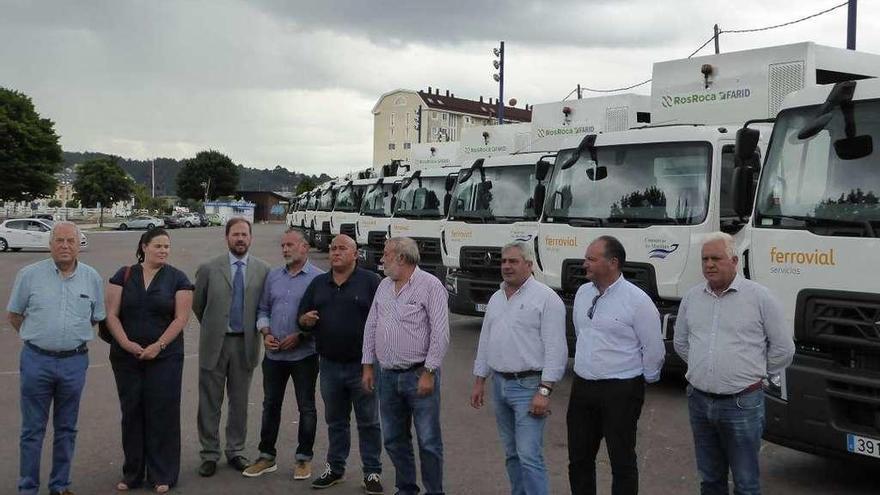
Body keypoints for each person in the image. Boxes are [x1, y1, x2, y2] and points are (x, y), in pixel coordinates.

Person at [674, 232, 794, 495]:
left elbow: (784, 349)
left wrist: (755, 373)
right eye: (705, 259)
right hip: (699, 401)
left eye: (716, 258)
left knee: (746, 483)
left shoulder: (761, 298)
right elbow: (681, 344)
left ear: (734, 260)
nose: (709, 264)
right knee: (710, 479)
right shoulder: (692, 298)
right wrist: (705, 367)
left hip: (742, 404)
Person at [6, 221, 106, 495]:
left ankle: (60, 485)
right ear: (50, 245)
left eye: (70, 241)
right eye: (59, 241)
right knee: (32, 430)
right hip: (36, 361)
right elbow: (15, 315)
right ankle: (28, 488)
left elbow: (95, 318)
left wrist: (68, 339)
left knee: (66, 428)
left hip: (74, 363)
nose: (64, 246)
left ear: (78, 245)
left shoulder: (92, 278)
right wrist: (39, 337)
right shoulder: (29, 275)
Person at [568, 235, 665, 495]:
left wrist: (643, 381)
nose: (584, 263)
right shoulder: (582, 293)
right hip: (583, 388)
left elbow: (653, 349)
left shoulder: (638, 301)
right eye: (585, 258)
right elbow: (582, 333)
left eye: (591, 259)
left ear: (613, 262)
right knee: (579, 459)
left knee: (621, 460)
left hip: (621, 390)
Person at [469, 241, 567, 495]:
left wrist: (544, 391)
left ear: (529, 264)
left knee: (529, 455)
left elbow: (557, 349)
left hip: (529, 387)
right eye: (503, 261)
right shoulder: (496, 297)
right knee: (512, 454)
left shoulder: (546, 299)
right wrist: (480, 380)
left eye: (513, 261)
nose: (506, 266)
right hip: (499, 385)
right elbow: (486, 340)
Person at [104, 228, 193, 493]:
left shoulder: (178, 278)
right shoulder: (124, 274)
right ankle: (132, 473)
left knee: (162, 414)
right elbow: (111, 314)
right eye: (158, 246)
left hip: (165, 357)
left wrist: (159, 345)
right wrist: (125, 343)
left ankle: (162, 474)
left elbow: (181, 318)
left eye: (167, 246)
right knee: (131, 412)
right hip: (127, 357)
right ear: (144, 246)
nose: (164, 251)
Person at [362, 237, 449, 495]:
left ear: (401, 257)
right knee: (393, 439)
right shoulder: (383, 286)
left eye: (386, 254)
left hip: (419, 375)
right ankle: (407, 488)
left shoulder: (430, 286)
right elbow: (371, 326)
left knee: (429, 441)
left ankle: (435, 491)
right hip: (387, 376)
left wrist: (430, 371)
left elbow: (440, 333)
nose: (382, 259)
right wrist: (367, 365)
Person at [298, 234, 384, 493]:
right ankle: (335, 468)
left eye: (342, 248)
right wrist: (306, 321)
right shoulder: (318, 284)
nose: (335, 252)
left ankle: (372, 472)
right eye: (333, 248)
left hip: (363, 366)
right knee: (336, 421)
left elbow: (385, 320)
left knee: (368, 421)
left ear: (355, 254)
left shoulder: (371, 282)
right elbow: (300, 318)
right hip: (330, 365)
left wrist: (373, 361)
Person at [193, 218, 271, 476]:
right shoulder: (208, 268)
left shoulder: (263, 270)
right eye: (235, 234)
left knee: (239, 402)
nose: (240, 239)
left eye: (244, 234)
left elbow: (265, 306)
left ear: (250, 238)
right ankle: (209, 454)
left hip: (245, 344)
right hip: (214, 343)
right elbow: (198, 305)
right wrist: (215, 326)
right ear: (227, 237)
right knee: (209, 402)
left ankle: (236, 451)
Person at [243, 230, 322, 480]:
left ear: (304, 248)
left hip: (304, 356)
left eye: (290, 245)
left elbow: (322, 318)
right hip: (274, 356)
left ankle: (303, 459)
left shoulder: (319, 279)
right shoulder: (273, 276)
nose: (285, 249)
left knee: (306, 407)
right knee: (270, 406)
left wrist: (300, 335)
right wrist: (265, 332)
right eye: (283, 245)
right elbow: (263, 308)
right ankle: (266, 456)